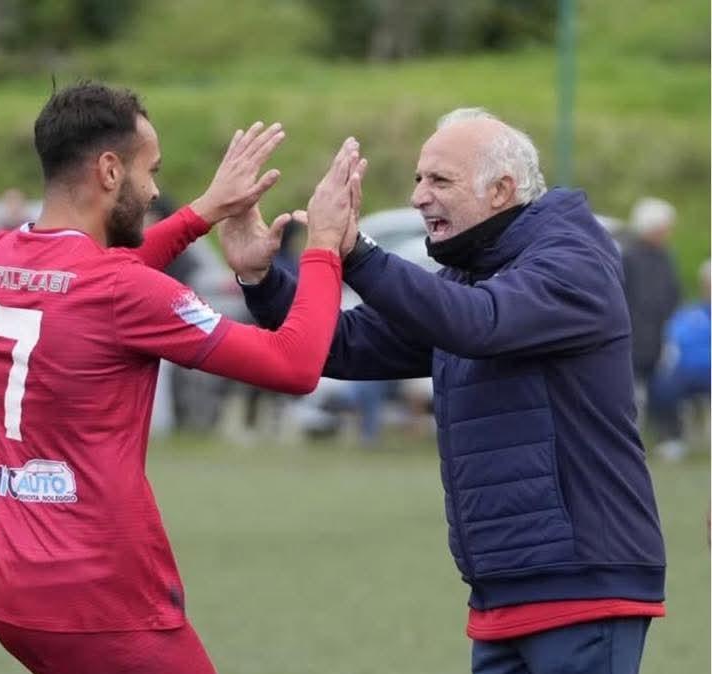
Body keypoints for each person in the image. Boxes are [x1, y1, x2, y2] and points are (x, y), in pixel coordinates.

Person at [223, 108, 666, 674]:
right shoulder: (471, 274)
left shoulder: (571, 260)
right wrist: (262, 280)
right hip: (504, 591)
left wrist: (357, 252)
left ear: (502, 190)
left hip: (582, 585)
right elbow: (346, 343)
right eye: (417, 179)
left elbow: (478, 322)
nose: (418, 197)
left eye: (439, 181)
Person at [0, 81, 363, 674]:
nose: (155, 189)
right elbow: (295, 364)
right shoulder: (120, 289)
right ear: (109, 170)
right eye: (150, 170)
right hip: (104, 602)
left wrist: (205, 211)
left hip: (16, 593)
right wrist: (325, 247)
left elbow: (99, 282)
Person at [621, 197, 681, 414]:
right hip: (634, 339)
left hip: (660, 337)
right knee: (633, 397)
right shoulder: (628, 257)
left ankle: (665, 438)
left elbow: (674, 294)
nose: (668, 233)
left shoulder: (666, 257)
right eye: (665, 228)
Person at [648, 259, 711, 461]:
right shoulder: (690, 313)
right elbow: (673, 338)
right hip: (686, 372)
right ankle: (673, 439)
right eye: (707, 284)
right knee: (662, 385)